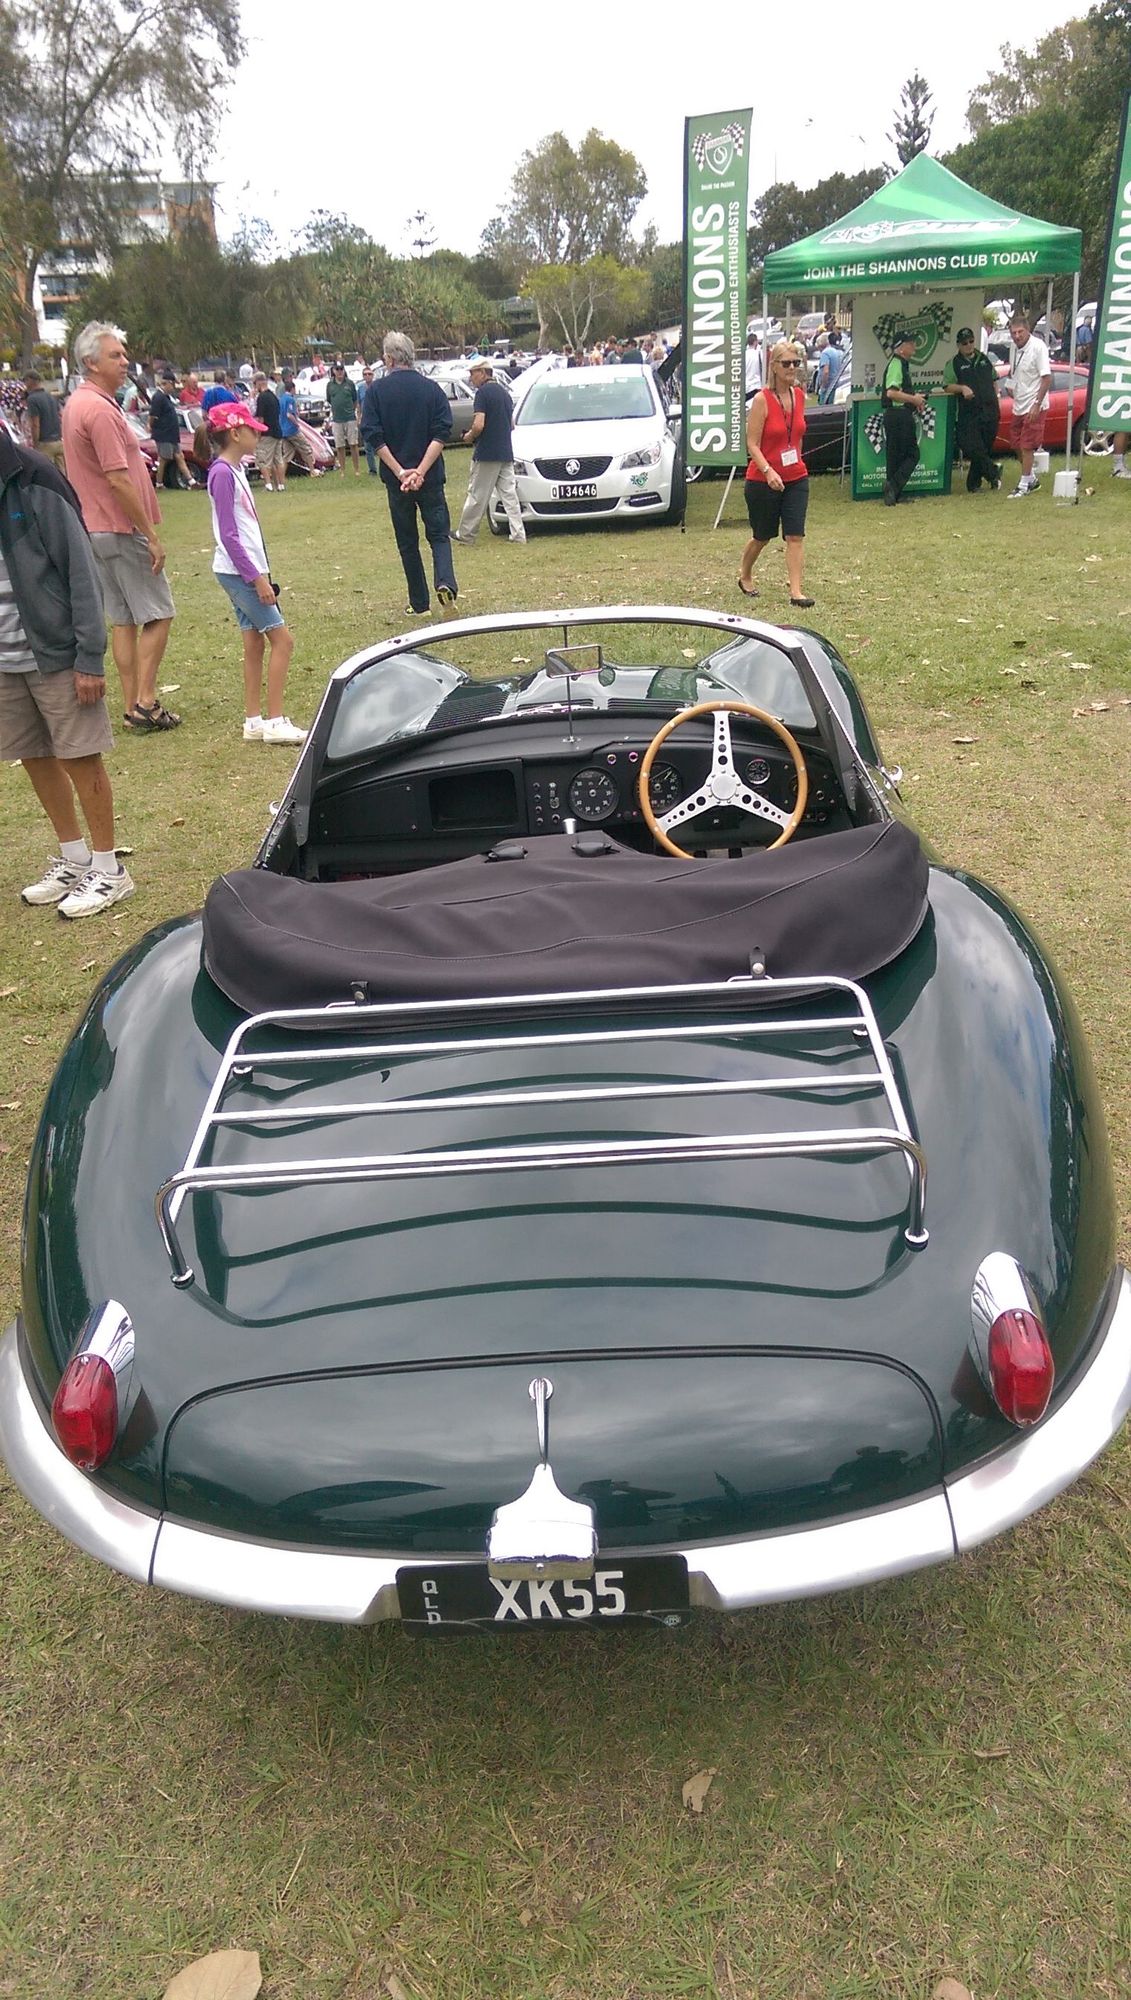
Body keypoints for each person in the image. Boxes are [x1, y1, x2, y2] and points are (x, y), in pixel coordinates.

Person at [1, 419, 135, 918]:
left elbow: (81, 569)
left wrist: (88, 658)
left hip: (55, 651)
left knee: (80, 756)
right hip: (5, 657)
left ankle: (109, 868)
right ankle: (74, 857)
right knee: (33, 755)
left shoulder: (33, 476)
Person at [61, 321, 180, 732]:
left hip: (94, 528)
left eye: (124, 354)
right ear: (91, 362)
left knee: (124, 620)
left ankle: (132, 706)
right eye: (115, 355)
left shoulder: (78, 403)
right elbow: (117, 479)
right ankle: (145, 702)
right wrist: (150, 534)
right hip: (119, 527)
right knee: (159, 613)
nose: (125, 361)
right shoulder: (98, 410)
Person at [205, 402, 305, 746]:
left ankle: (254, 720)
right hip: (240, 573)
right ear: (235, 433)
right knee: (283, 640)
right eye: (252, 430)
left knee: (254, 642)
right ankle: (275, 721)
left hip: (243, 570)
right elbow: (228, 535)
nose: (257, 436)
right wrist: (257, 578)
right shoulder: (222, 473)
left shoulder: (232, 470)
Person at [360, 329, 457, 616]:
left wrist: (402, 472)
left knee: (408, 542)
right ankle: (445, 582)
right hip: (430, 477)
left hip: (397, 481)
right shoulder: (432, 389)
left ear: (389, 359)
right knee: (439, 535)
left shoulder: (376, 392)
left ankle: (419, 602)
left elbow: (374, 436)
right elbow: (441, 433)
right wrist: (421, 471)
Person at [737, 340, 814, 609]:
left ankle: (796, 592)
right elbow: (752, 444)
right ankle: (745, 574)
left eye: (796, 363)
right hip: (763, 480)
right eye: (786, 363)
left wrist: (797, 461)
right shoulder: (762, 399)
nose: (792, 368)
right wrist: (768, 471)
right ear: (774, 367)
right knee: (762, 535)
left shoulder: (800, 396)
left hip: (796, 477)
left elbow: (798, 435)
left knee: (795, 535)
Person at [453, 360, 525, 546]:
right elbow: (511, 425)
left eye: (473, 373)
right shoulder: (505, 394)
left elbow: (479, 424)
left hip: (486, 452)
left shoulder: (482, 394)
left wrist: (469, 436)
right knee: (509, 495)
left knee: (477, 494)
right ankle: (518, 533)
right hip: (505, 451)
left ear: (483, 373)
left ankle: (466, 533)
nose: (471, 378)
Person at [942, 328, 1001, 493]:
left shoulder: (984, 359)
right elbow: (946, 386)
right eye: (964, 343)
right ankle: (993, 472)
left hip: (990, 410)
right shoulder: (954, 363)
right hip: (968, 413)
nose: (968, 345)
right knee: (972, 447)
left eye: (971, 341)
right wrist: (962, 388)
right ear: (958, 345)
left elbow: (994, 379)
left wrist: (996, 397)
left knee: (984, 448)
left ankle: (974, 484)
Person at [1006, 314, 1052, 498]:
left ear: (1028, 330)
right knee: (1015, 443)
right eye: (1014, 333)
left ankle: (1024, 484)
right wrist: (1010, 384)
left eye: (1020, 332)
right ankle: (1031, 478)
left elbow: (1046, 378)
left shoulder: (1038, 347)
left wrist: (1037, 404)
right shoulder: (1013, 347)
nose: (1017, 336)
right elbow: (1013, 370)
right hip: (1019, 402)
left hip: (1034, 404)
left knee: (1027, 445)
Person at [880, 329, 925, 506]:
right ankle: (892, 486)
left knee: (895, 457)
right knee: (913, 454)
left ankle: (893, 495)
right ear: (900, 348)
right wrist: (914, 399)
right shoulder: (896, 364)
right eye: (909, 343)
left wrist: (915, 400)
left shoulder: (900, 364)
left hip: (896, 415)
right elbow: (891, 392)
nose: (914, 345)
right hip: (899, 415)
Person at [149, 369, 192, 490]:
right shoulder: (158, 397)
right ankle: (158, 483)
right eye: (172, 385)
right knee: (164, 458)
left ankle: (191, 481)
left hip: (172, 434)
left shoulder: (167, 397)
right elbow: (153, 416)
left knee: (179, 456)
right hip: (164, 434)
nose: (173, 388)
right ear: (167, 383)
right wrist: (150, 427)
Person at [252, 371, 287, 492]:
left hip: (267, 433)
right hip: (277, 431)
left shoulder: (262, 398)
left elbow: (260, 418)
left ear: (258, 383)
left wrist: (258, 435)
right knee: (278, 460)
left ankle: (268, 484)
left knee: (263, 460)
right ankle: (281, 485)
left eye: (254, 384)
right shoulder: (274, 396)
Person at [23, 372, 65, 470]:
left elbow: (35, 424)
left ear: (30, 380)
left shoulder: (32, 399)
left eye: (25, 381)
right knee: (63, 474)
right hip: (58, 440)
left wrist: (35, 443)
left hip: (44, 443)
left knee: (48, 473)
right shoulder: (51, 396)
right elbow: (59, 416)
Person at [326, 360, 361, 476]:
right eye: (337, 369)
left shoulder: (350, 383)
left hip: (350, 418)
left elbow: (355, 400)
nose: (340, 371)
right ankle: (342, 470)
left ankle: (357, 470)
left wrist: (352, 411)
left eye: (341, 369)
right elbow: (329, 399)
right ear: (333, 371)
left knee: (353, 444)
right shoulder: (330, 385)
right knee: (339, 446)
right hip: (337, 419)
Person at [278, 372, 314, 476]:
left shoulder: (281, 399)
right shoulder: (290, 399)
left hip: (283, 431)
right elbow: (289, 414)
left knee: (287, 454)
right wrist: (297, 423)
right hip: (291, 430)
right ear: (292, 389)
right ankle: (312, 470)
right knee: (306, 448)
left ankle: (281, 476)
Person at [817, 331, 846, 404]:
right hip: (835, 384)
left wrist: (823, 386)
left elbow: (826, 371)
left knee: (823, 407)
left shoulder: (825, 353)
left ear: (820, 345)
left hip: (828, 387)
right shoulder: (835, 351)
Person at [744, 332, 763, 400]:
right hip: (756, 386)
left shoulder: (744, 355)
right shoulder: (758, 354)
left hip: (745, 387)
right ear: (755, 342)